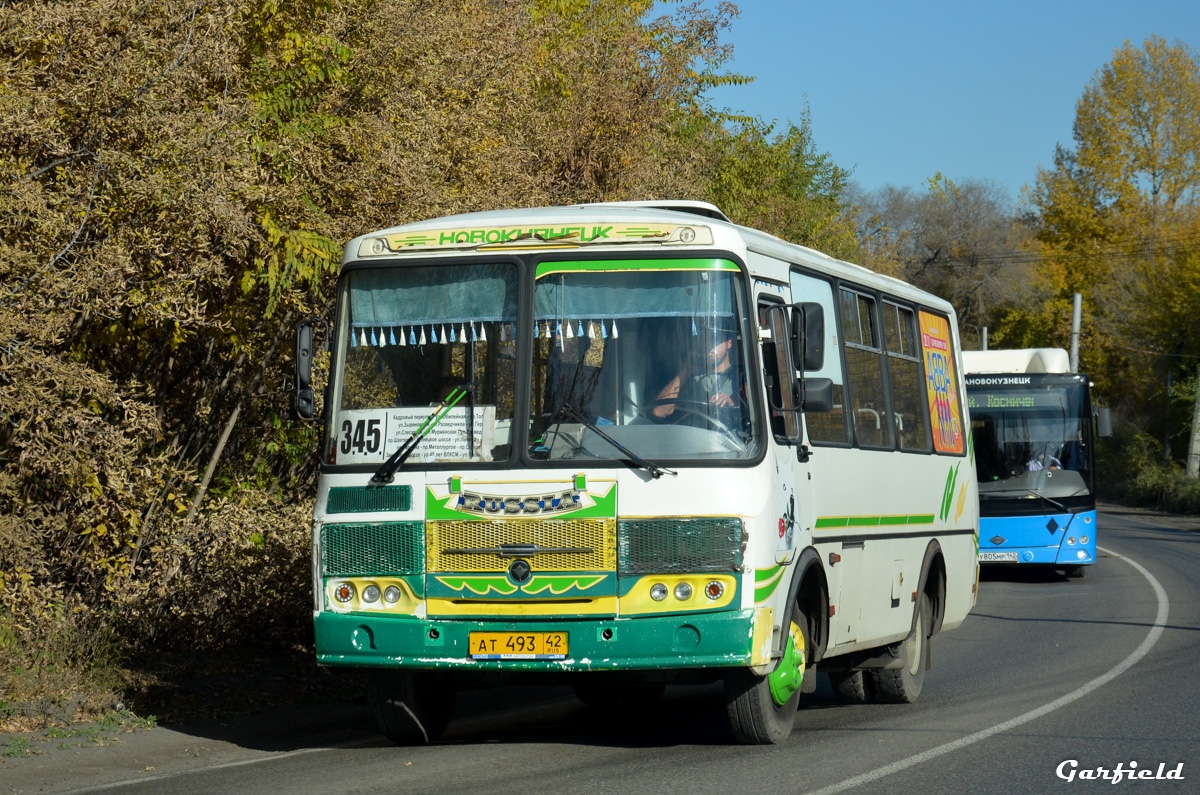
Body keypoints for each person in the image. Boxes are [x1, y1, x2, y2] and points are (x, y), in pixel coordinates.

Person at [653, 324, 739, 420]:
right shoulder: (692, 378)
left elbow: (752, 416)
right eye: (705, 341)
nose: (709, 346)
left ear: (729, 343)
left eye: (714, 340)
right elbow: (659, 411)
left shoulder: (739, 377)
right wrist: (685, 371)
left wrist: (731, 404)